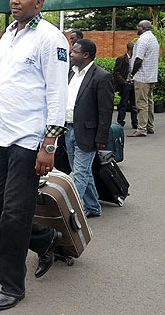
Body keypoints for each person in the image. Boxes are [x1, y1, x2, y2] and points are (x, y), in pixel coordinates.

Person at [0, 0, 69, 311]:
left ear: (39, 2)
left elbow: (57, 93)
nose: (15, 0)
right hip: (0, 135)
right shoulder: (8, 35)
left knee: (15, 215)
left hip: (29, 139)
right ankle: (47, 238)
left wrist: (48, 143)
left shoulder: (51, 38)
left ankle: (12, 286)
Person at [66, 38, 114, 217]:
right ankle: (93, 207)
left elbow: (106, 111)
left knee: (79, 174)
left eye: (75, 52)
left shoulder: (102, 76)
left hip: (88, 133)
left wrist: (102, 137)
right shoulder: (70, 74)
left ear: (85, 55)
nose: (71, 54)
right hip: (68, 130)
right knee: (83, 172)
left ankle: (71, 212)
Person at [128, 20, 159, 137]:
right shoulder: (153, 39)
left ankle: (141, 129)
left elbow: (138, 59)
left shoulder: (142, 40)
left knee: (141, 104)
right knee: (149, 103)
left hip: (142, 77)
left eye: (139, 26)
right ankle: (150, 127)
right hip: (151, 77)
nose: (137, 28)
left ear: (143, 28)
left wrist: (132, 73)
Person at [113, 41, 138, 129]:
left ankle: (135, 123)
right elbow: (116, 73)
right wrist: (124, 82)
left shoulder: (136, 59)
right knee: (123, 105)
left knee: (134, 105)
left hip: (133, 83)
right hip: (125, 84)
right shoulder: (121, 59)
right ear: (130, 49)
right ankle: (120, 122)